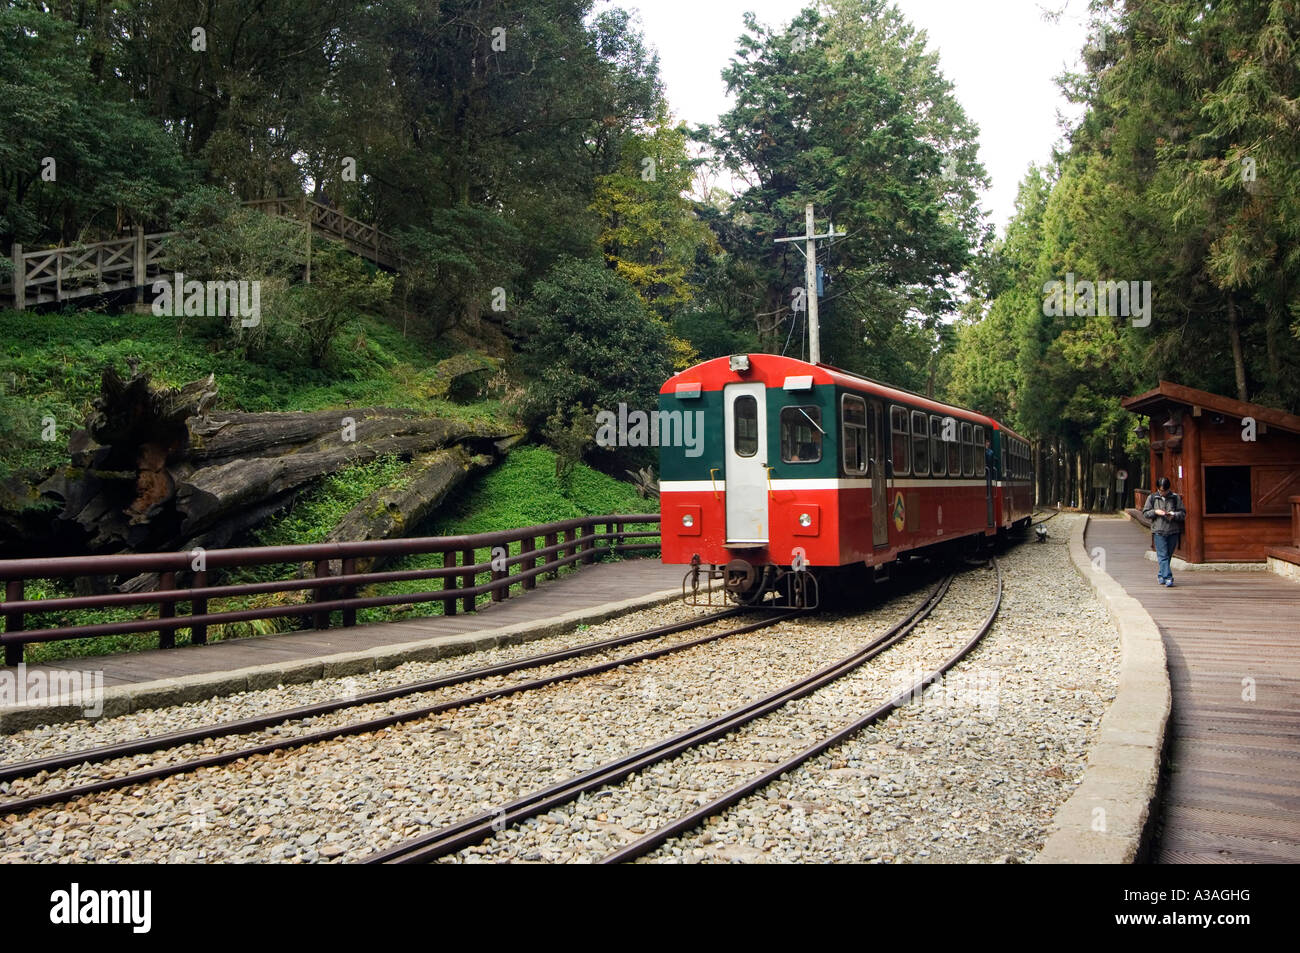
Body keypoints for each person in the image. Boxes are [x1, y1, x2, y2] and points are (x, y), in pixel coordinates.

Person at [1143, 476, 1186, 587]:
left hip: (1173, 530)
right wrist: (1155, 512)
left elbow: (1183, 513)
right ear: (1158, 488)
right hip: (1158, 530)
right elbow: (1145, 513)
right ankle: (1168, 577)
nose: (1163, 493)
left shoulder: (1175, 498)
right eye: (1161, 490)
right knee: (1162, 555)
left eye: (1165, 490)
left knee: (1168, 555)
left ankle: (1161, 575)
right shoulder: (1152, 498)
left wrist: (1174, 515)